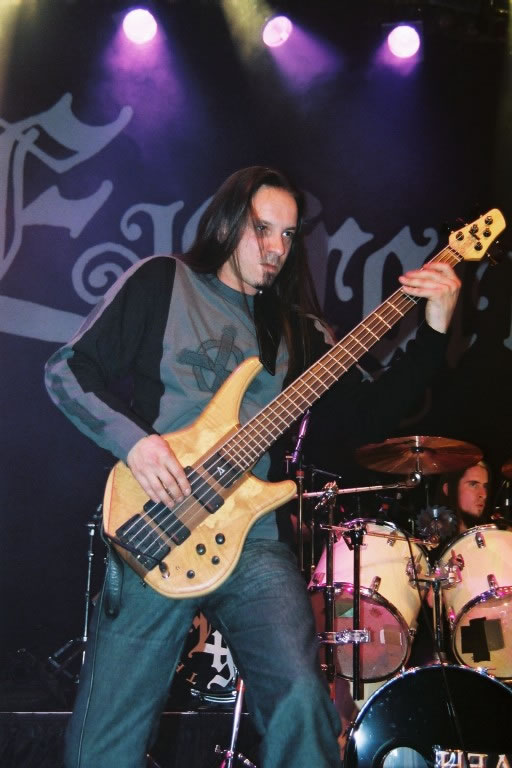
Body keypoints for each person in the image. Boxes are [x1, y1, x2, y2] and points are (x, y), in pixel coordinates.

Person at [44, 165, 461, 768]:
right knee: (105, 741)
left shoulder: (297, 331)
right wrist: (136, 444)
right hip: (156, 523)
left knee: (302, 700)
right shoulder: (164, 281)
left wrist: (434, 330)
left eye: (288, 235)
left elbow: (371, 415)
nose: (276, 248)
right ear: (226, 222)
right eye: (261, 229)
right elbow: (68, 369)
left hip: (253, 538)